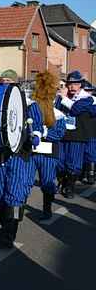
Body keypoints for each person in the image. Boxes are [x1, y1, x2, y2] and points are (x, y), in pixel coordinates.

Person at [0, 69, 40, 248]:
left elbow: (37, 126)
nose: (5, 83)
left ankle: (10, 233)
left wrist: (35, 136)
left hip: (19, 155)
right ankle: (4, 227)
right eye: (3, 80)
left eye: (9, 80)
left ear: (16, 83)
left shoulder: (29, 104)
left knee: (15, 195)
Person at [30, 71, 67, 220]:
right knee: (24, 182)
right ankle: (15, 212)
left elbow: (59, 134)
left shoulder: (58, 113)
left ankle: (47, 209)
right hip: (31, 151)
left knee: (47, 182)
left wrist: (43, 132)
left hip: (49, 152)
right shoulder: (31, 107)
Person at [54, 70, 95, 199]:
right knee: (59, 162)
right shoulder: (62, 97)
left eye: (75, 84)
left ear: (80, 85)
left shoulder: (87, 98)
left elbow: (76, 109)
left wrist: (64, 98)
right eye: (69, 84)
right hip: (62, 134)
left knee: (74, 164)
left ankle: (69, 186)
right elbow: (56, 110)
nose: (71, 86)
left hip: (77, 135)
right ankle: (62, 180)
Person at [81, 81, 96, 185]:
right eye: (85, 90)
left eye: (89, 91)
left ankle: (91, 174)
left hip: (92, 130)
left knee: (91, 153)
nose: (87, 92)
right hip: (82, 130)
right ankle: (83, 173)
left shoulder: (93, 100)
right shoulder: (79, 100)